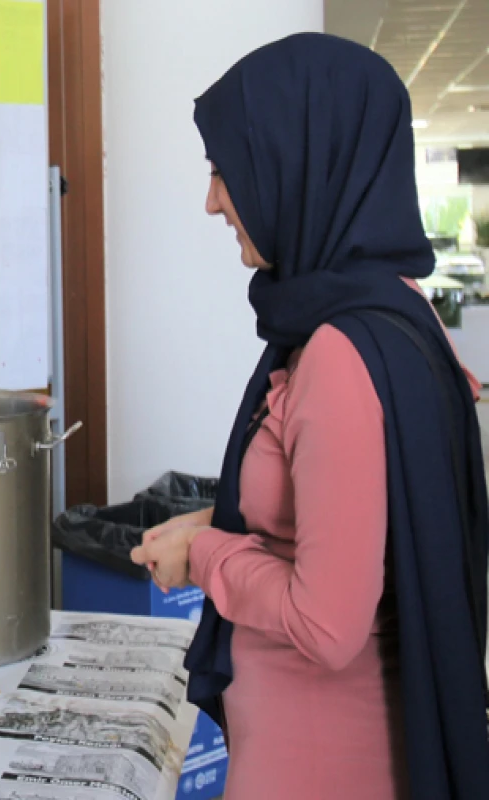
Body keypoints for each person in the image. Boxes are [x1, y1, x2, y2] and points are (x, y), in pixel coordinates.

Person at [130, 34, 489, 800]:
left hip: (324, 767)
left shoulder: (337, 355)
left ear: (299, 162)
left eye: (226, 170)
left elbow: (328, 624)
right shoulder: (390, 311)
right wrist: (212, 526)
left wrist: (206, 559)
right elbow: (343, 523)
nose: (213, 199)